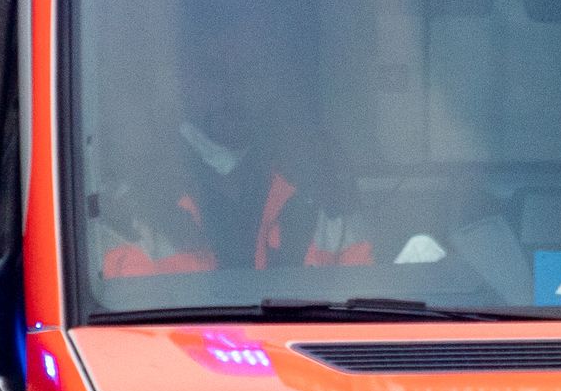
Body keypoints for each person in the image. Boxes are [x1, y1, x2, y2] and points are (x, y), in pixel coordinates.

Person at [96, 32, 373, 276]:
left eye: (248, 74)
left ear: (269, 84)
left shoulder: (323, 188)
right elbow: (126, 326)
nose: (232, 90)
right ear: (185, 83)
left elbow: (361, 297)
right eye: (214, 74)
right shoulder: (139, 198)